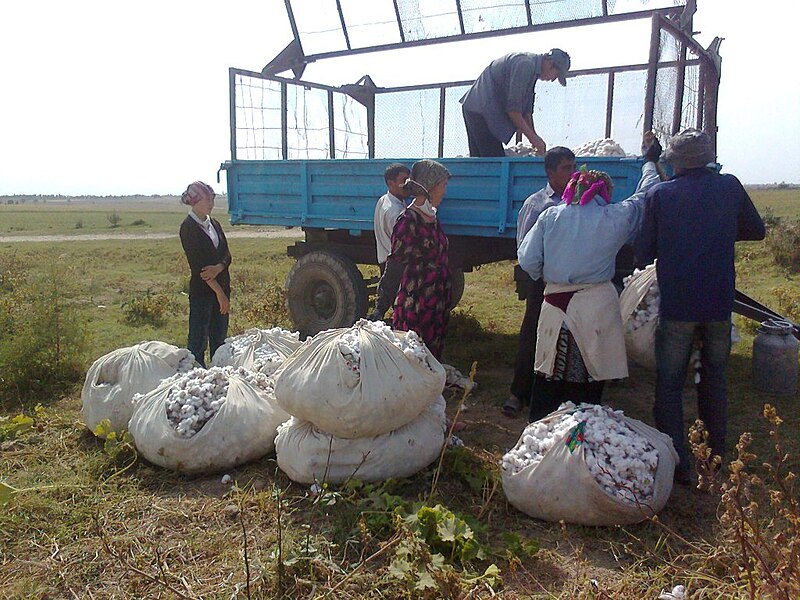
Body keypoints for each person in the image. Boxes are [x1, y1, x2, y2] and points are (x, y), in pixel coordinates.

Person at [634, 128, 765, 485]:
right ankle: (716, 459)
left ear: (674, 162)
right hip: (719, 304)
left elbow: (642, 253)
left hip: (678, 306)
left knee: (670, 383)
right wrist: (717, 231)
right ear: (707, 159)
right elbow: (757, 230)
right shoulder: (730, 186)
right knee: (714, 378)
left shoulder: (660, 195)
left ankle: (679, 465)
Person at [518, 134, 663, 422]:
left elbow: (527, 259)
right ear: (602, 192)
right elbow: (647, 194)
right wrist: (649, 162)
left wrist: (548, 277)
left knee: (550, 372)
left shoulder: (550, 216)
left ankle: (541, 437)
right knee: (590, 373)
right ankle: (583, 437)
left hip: (555, 304)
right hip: (597, 306)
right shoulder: (615, 217)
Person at [503, 147, 576, 418]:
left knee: (567, 337)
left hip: (572, 282)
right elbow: (524, 247)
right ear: (550, 172)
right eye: (566, 168)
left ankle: (558, 397)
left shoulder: (580, 202)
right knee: (533, 333)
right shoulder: (537, 204)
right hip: (544, 281)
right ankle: (519, 393)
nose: (572, 173)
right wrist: (543, 278)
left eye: (573, 166)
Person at [390, 159, 453, 362]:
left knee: (433, 353)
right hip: (418, 301)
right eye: (443, 186)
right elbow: (398, 257)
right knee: (414, 355)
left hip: (436, 298)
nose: (444, 192)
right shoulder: (408, 220)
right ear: (430, 187)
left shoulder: (432, 218)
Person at [460, 49, 570, 157]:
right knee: (493, 162)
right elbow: (513, 111)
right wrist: (533, 138)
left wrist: (535, 138)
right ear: (550, 64)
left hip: (479, 110)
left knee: (482, 162)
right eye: (556, 75)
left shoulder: (533, 73)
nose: (552, 80)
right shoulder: (525, 65)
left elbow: (526, 112)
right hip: (480, 110)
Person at [179, 181, 232, 368]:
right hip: (204, 293)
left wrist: (218, 267)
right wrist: (219, 293)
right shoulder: (188, 228)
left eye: (212, 198)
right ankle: (195, 381)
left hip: (223, 288)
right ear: (195, 201)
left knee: (219, 342)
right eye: (207, 199)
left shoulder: (214, 224)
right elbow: (199, 267)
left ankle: (217, 380)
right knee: (197, 343)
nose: (211, 203)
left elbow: (227, 254)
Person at [369, 163, 410, 321]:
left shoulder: (384, 200)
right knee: (401, 307)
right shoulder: (395, 211)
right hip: (394, 265)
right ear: (391, 183)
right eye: (404, 180)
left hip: (386, 259)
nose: (408, 184)